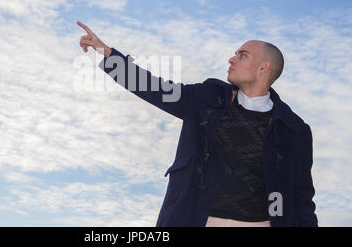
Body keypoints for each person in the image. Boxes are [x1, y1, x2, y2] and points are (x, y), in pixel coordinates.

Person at [77, 21, 318, 227]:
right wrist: (107, 53)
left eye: (242, 55)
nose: (231, 58)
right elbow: (155, 88)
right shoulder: (206, 98)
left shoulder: (294, 129)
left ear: (264, 68)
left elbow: (301, 197)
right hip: (199, 219)